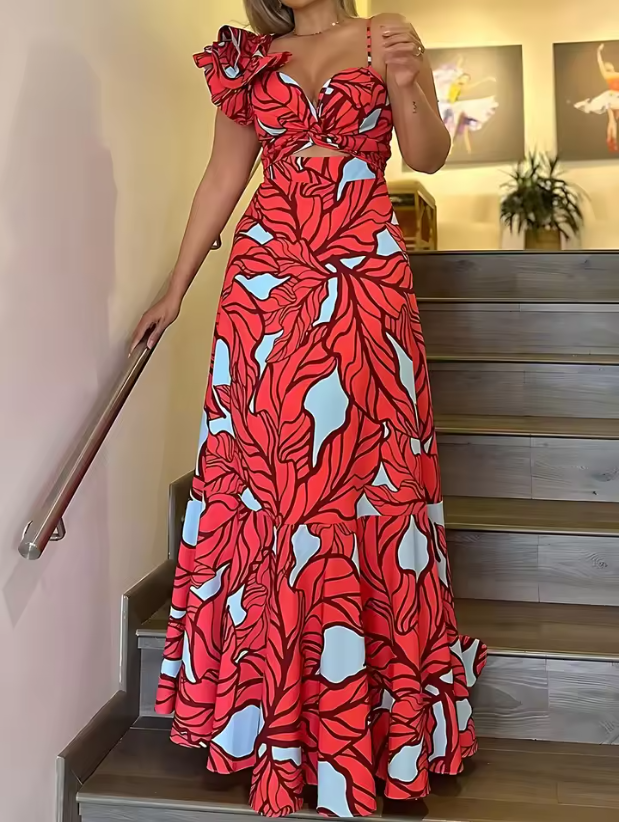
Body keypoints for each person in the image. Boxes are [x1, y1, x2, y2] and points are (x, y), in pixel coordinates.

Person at [132, 1, 486, 816]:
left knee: (372, 480)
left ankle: (368, 720)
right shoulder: (251, 58)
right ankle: (269, 716)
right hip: (266, 285)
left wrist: (407, 83)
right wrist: (175, 289)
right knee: (273, 479)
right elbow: (223, 179)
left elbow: (426, 156)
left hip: (365, 275)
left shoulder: (386, 33)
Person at [574, 43, 619, 153]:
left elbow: (600, 64)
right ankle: (612, 142)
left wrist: (598, 52)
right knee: (613, 121)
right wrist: (598, 52)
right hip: (613, 98)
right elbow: (601, 64)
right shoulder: (613, 75)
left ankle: (611, 141)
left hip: (611, 99)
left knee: (612, 121)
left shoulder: (608, 75)